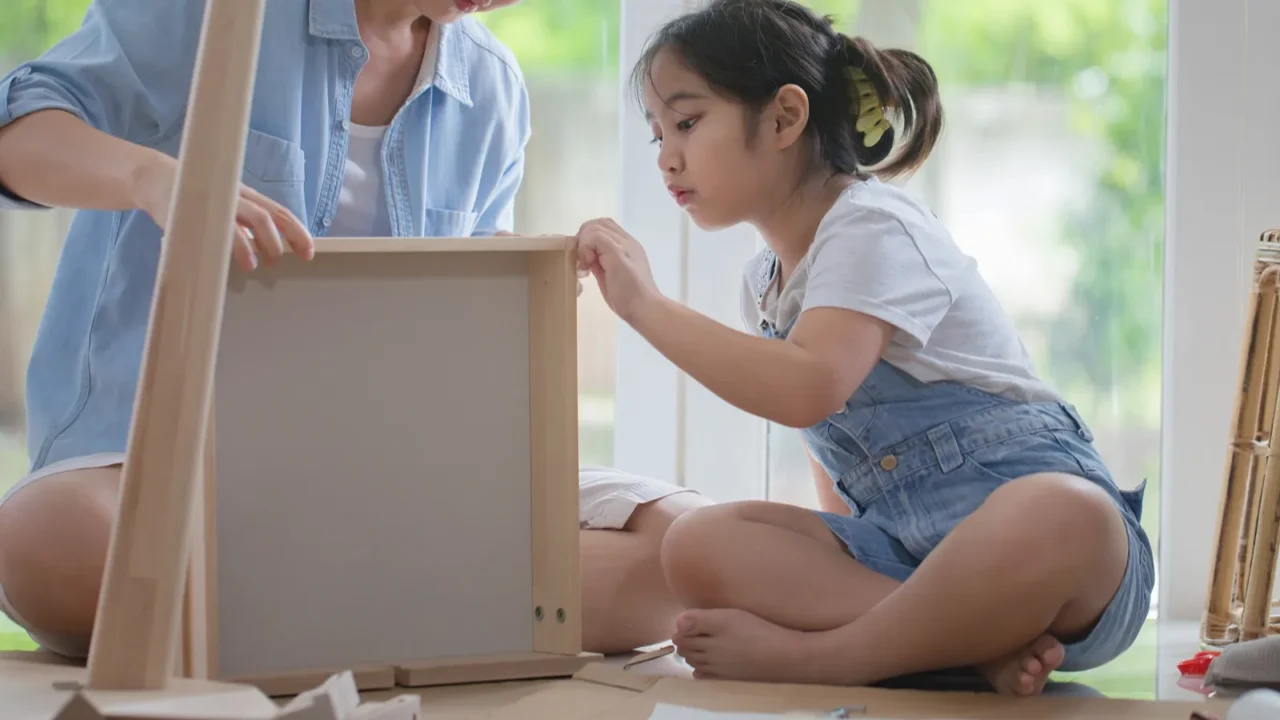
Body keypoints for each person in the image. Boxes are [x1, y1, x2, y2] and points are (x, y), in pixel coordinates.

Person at [0, 0, 710, 661]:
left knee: (688, 543)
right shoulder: (214, 15)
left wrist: (525, 273)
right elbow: (18, 134)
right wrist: (152, 178)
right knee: (42, 543)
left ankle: (303, 615)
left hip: (380, 483)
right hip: (150, 470)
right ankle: (420, 611)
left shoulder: (492, 88)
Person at [573, 0, 1153, 697]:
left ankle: (834, 658)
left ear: (786, 117)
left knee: (1071, 511)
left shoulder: (872, 224)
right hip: (903, 562)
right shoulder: (764, 282)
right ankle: (963, 644)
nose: (668, 156)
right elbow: (835, 451)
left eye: (688, 123)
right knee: (696, 544)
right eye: (657, 134)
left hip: (1054, 571)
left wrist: (645, 307)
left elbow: (809, 387)